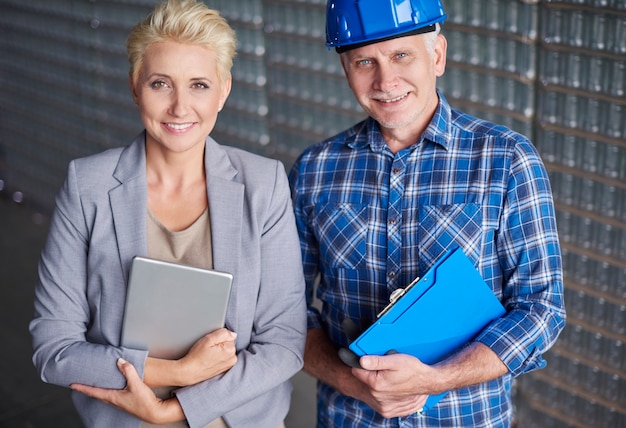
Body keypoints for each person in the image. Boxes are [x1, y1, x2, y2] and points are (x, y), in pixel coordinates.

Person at [288, 1, 566, 426]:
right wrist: (350, 382)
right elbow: (285, 312)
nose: (386, 80)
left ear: (436, 55)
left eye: (401, 55)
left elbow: (542, 308)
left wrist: (436, 379)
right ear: (346, 70)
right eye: (365, 61)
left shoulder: (506, 159)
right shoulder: (315, 170)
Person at [29, 1, 306, 427]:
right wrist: (177, 372)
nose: (180, 107)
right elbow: (54, 349)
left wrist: (174, 409)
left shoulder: (263, 184)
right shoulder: (89, 185)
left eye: (198, 85)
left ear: (224, 90)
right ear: (135, 86)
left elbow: (284, 343)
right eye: (161, 84)